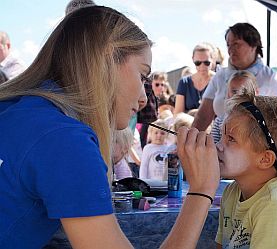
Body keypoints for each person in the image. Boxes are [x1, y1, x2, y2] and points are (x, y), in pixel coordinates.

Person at [0, 6, 220, 249]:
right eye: (142, 76)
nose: (144, 99)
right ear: (106, 59)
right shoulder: (65, 140)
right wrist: (201, 191)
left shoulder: (18, 109)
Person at [215, 88, 277, 249]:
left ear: (265, 159)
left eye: (231, 139)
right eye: (221, 136)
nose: (218, 146)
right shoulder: (232, 192)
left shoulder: (275, 209)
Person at [192, 23, 277, 136]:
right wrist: (188, 140)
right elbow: (203, 116)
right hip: (221, 144)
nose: (231, 50)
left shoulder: (271, 79)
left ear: (253, 45)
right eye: (228, 45)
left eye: (236, 44)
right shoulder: (219, 77)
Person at [210, 70, 258, 143]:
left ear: (256, 92)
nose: (239, 95)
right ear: (228, 94)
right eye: (234, 91)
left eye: (244, 91)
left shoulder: (261, 121)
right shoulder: (220, 121)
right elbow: (214, 147)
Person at [174, 42, 215, 114]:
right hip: (188, 124)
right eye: (198, 63)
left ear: (212, 60)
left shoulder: (218, 80)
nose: (202, 66)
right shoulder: (184, 82)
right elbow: (178, 114)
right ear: (193, 59)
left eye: (206, 62)